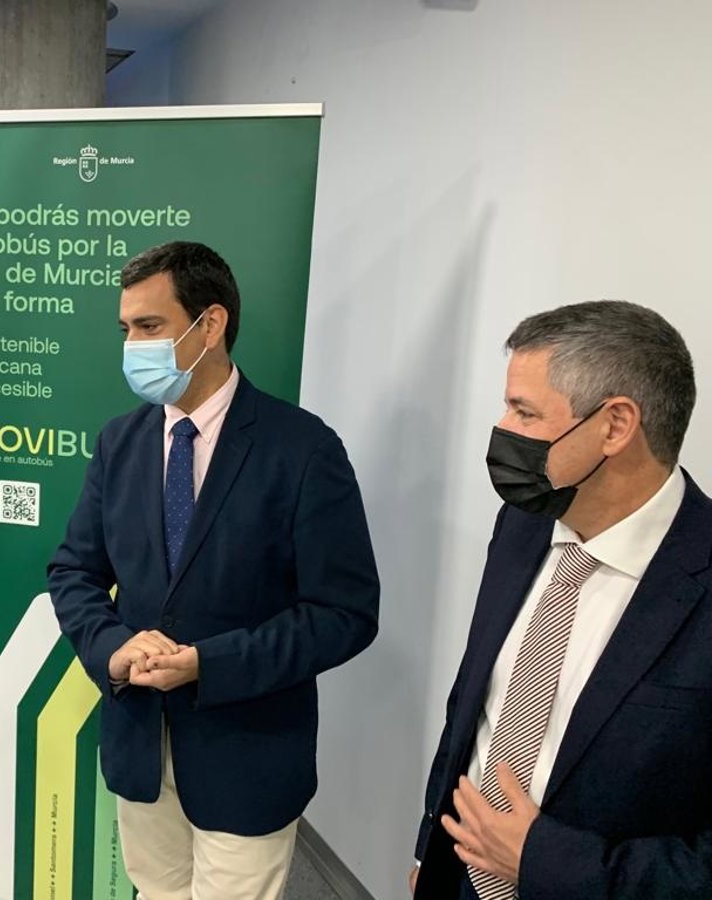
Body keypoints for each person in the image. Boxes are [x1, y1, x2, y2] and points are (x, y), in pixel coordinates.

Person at [47, 241, 380, 900]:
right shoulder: (120, 442)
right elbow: (74, 571)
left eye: (150, 326)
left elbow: (344, 614)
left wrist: (210, 663)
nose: (133, 346)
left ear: (211, 324)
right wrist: (114, 648)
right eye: (126, 329)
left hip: (248, 755)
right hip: (141, 747)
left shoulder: (303, 449)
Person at [413, 301, 711, 899]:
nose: (502, 429)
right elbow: (475, 704)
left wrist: (548, 864)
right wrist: (430, 850)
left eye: (524, 411)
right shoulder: (522, 524)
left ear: (615, 425)